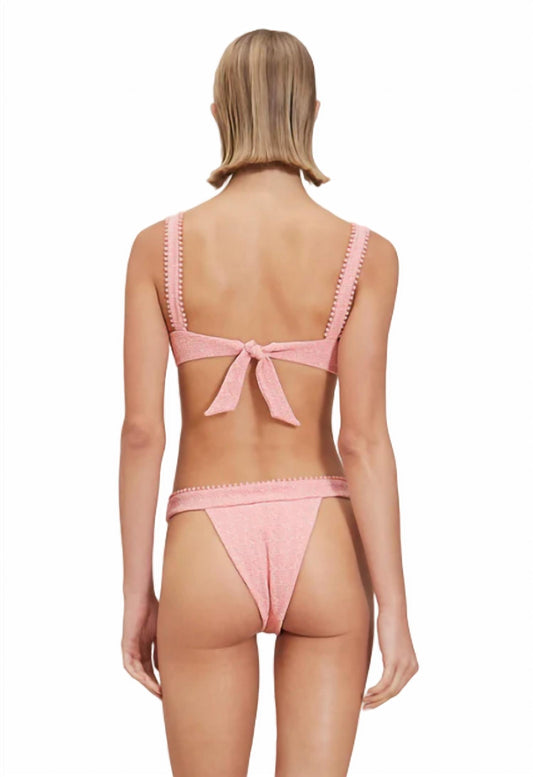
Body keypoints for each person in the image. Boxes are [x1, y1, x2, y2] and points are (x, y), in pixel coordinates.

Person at [119, 28, 418, 777]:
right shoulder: (366, 255)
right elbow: (364, 441)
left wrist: (137, 592)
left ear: (219, 113)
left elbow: (142, 433)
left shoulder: (159, 249)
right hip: (323, 540)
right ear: (311, 111)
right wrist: (395, 610)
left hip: (204, 546)